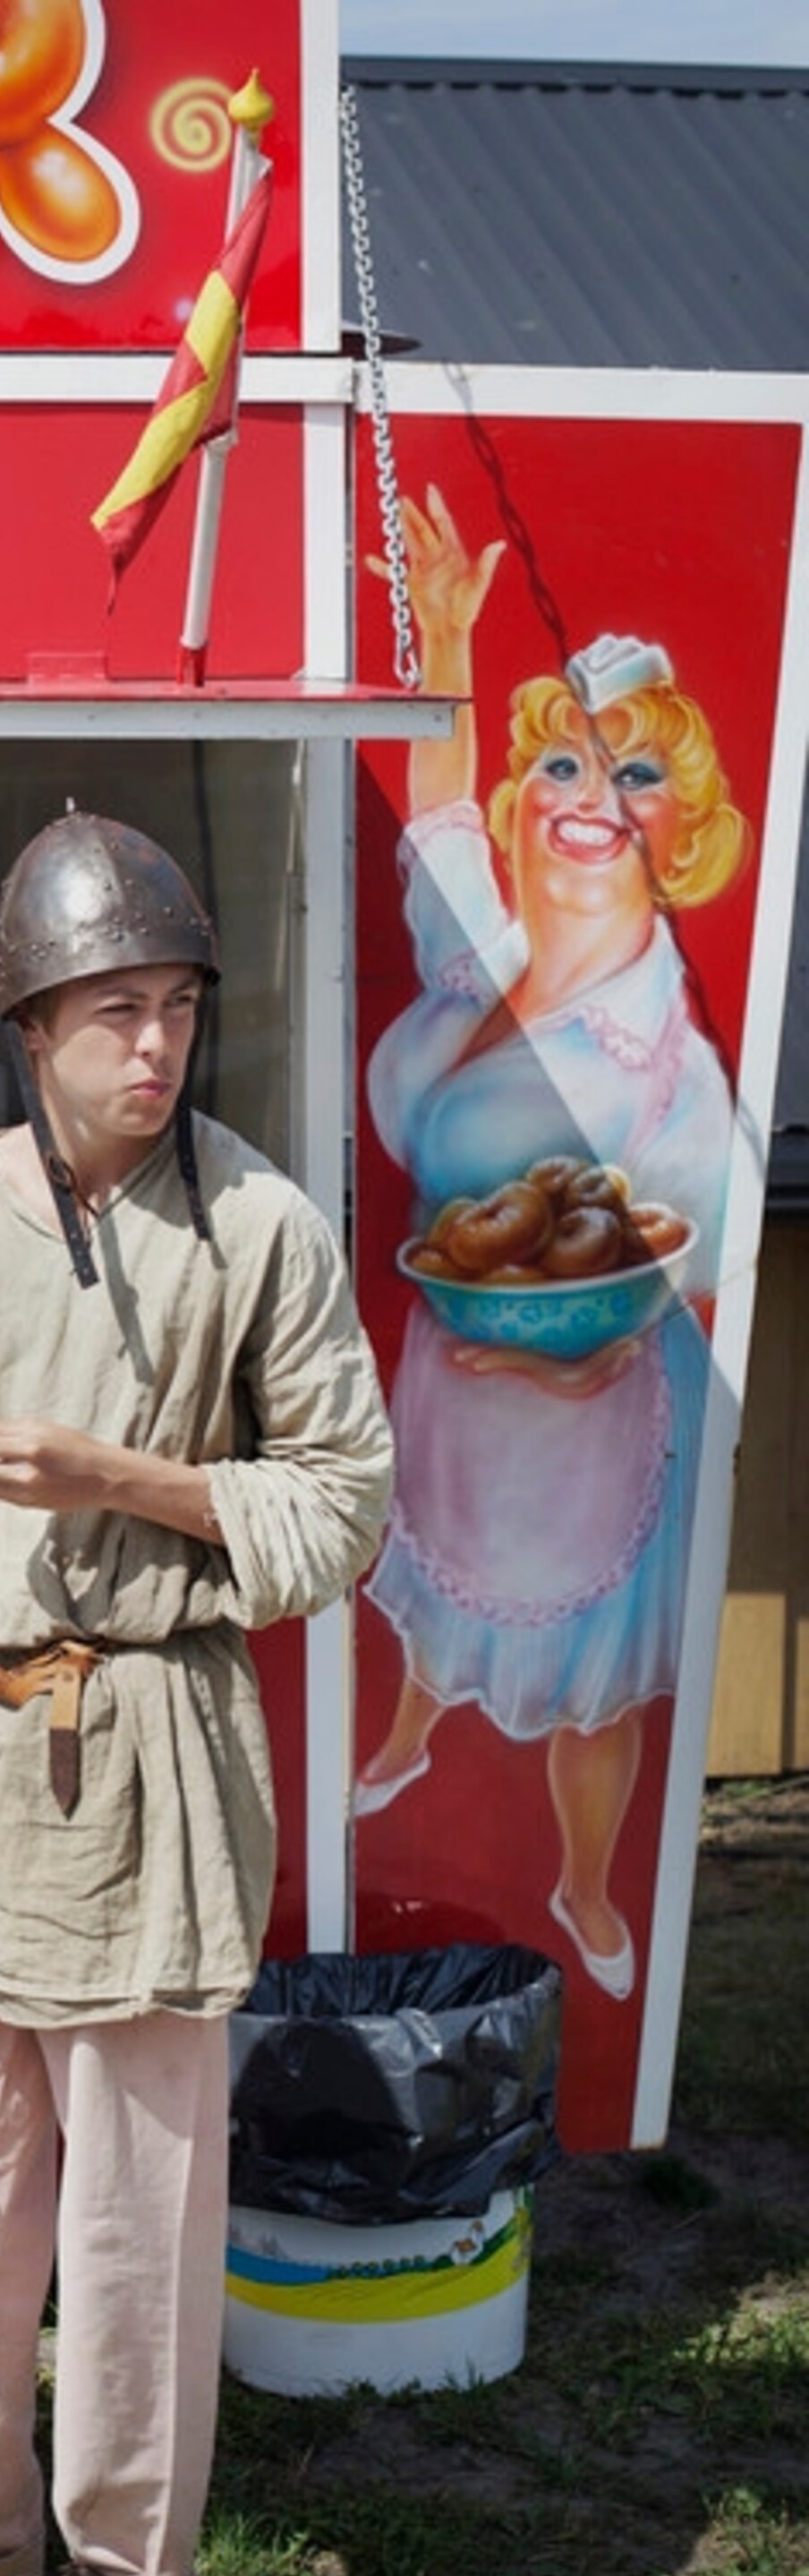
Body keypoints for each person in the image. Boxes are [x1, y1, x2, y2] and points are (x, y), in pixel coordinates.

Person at [0, 812, 392, 2576]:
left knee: (135, 2203)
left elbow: (345, 1505)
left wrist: (122, 1479)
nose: (157, 1046)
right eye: (116, 1011)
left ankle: (127, 2565)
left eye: (179, 1009)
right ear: (31, 1028)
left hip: (153, 1741)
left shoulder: (261, 1225)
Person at [354, 487, 745, 2003]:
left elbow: (686, 1264)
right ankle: (406, 1735)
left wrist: (584, 1355)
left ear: (685, 834)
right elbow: (437, 812)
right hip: (453, 1388)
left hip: (591, 1419)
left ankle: (583, 1883)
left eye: (636, 773)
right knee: (434, 1584)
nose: (591, 795)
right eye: (568, 761)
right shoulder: (482, 962)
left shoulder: (668, 1067)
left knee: (592, 1679)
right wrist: (449, 646)